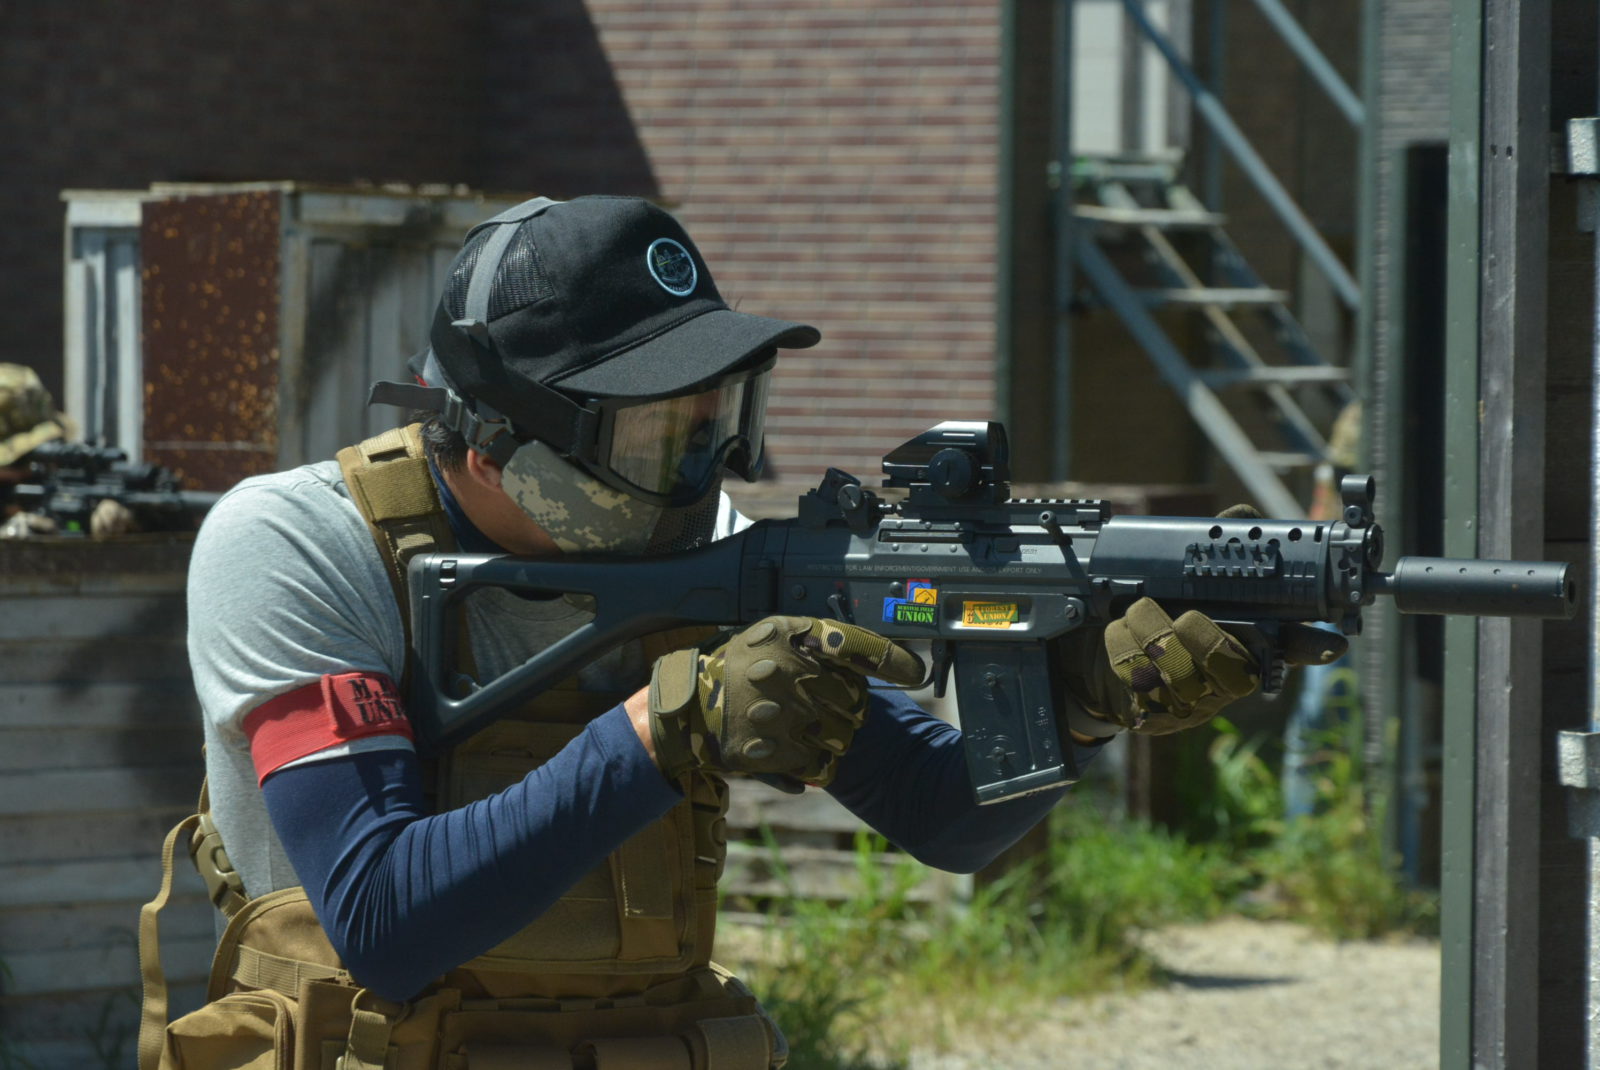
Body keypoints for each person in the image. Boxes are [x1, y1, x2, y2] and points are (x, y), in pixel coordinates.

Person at [138, 195, 1344, 1069]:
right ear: (502, 437)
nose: (703, 472)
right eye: (658, 435)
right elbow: (383, 921)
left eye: (715, 423)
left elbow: (940, 814)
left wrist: (1078, 707)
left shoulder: (703, 550)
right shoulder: (301, 542)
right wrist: (665, 731)